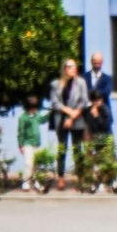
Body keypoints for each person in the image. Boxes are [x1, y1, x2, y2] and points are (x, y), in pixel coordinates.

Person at [48, 58, 89, 190]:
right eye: (71, 67)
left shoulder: (81, 82)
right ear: (65, 69)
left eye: (75, 66)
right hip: (61, 119)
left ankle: (80, 177)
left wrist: (73, 115)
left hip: (77, 119)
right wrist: (67, 111)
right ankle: (60, 178)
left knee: (77, 149)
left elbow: (84, 101)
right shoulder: (56, 84)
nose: (74, 69)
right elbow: (55, 102)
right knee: (62, 149)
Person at [17, 96, 44, 192]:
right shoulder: (23, 117)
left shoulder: (37, 115)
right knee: (28, 163)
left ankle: (36, 181)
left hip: (36, 143)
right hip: (27, 143)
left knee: (36, 164)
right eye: (32, 107)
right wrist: (20, 144)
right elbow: (21, 131)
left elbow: (42, 120)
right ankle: (26, 182)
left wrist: (50, 114)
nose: (34, 109)